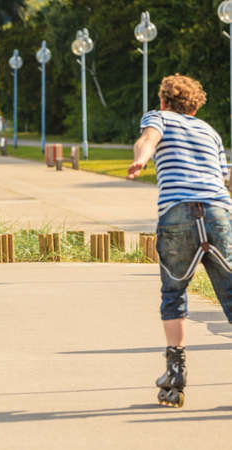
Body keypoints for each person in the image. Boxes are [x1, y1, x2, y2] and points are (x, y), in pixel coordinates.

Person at [128, 74, 232, 407]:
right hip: (217, 214)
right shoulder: (210, 132)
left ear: (163, 100)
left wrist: (141, 159)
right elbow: (223, 177)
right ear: (195, 104)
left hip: (178, 214)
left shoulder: (158, 117)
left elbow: (149, 138)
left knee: (173, 293)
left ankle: (175, 373)